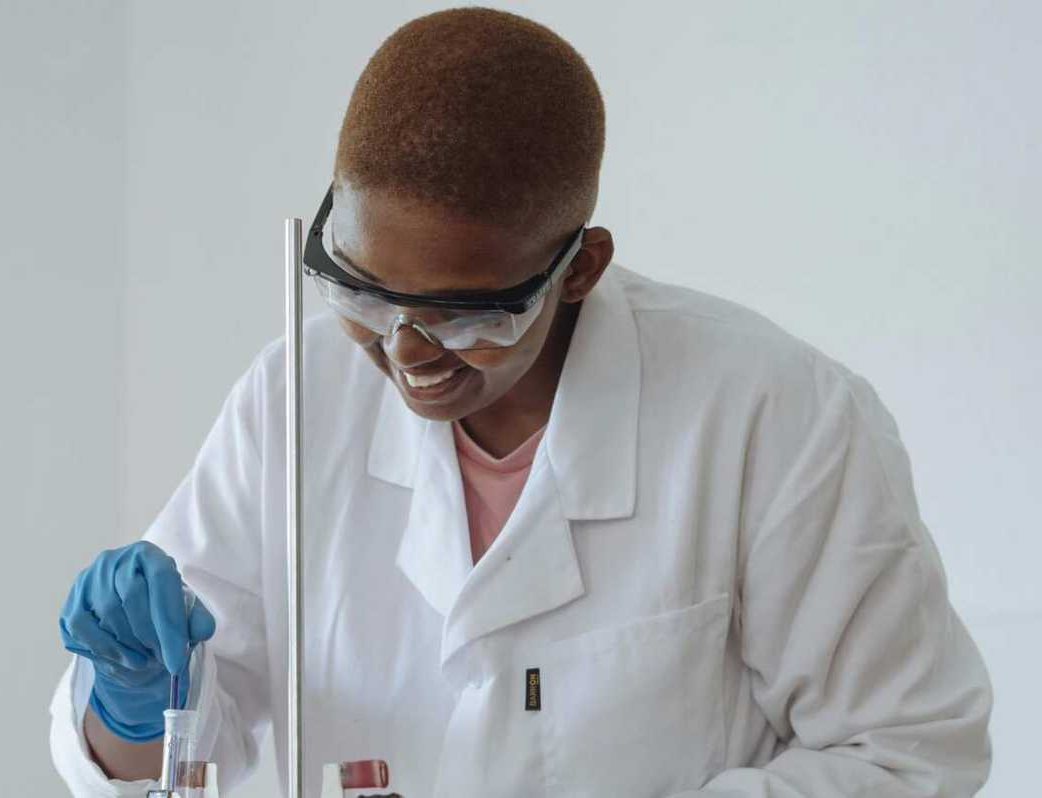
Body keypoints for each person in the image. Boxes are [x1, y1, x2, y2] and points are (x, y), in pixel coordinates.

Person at [50, 8, 993, 797]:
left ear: (578, 269)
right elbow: (175, 752)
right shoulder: (295, 400)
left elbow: (910, 754)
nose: (407, 351)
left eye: (466, 315)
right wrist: (131, 695)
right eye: (365, 296)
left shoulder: (774, 415)